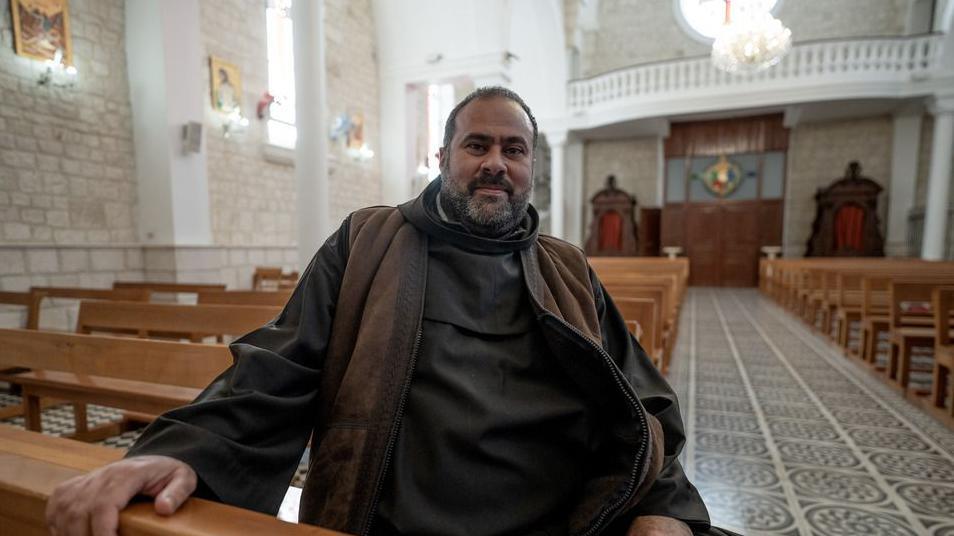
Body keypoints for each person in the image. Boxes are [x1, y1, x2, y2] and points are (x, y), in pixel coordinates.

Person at [47, 87, 728, 536]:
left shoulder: (566, 267)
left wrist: (661, 506)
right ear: (442, 158)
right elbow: (274, 370)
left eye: (513, 150)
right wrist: (180, 452)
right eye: (478, 145)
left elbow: (640, 405)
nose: (496, 163)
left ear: (530, 168)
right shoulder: (369, 242)